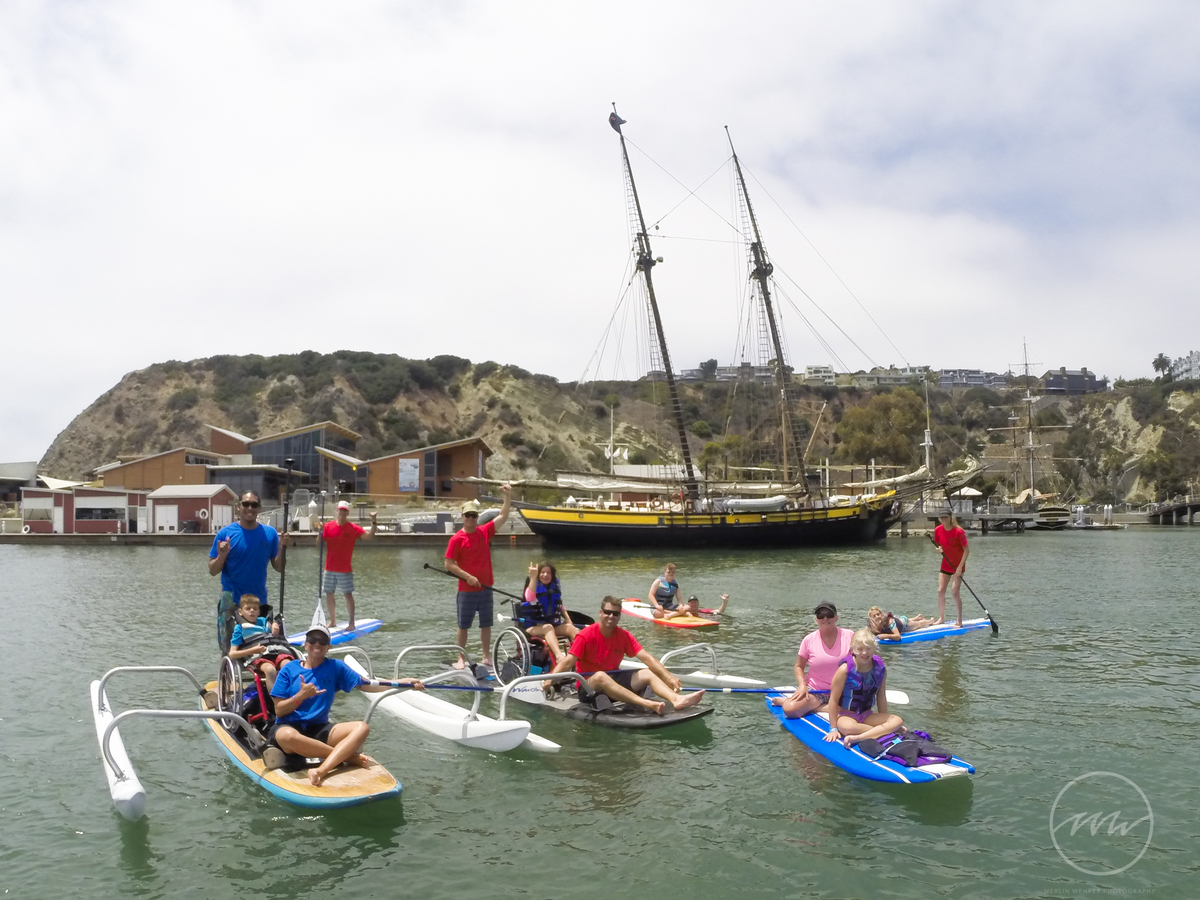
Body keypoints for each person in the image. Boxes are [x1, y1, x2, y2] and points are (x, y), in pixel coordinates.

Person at [270, 624, 424, 787]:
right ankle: (347, 757)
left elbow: (366, 685)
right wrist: (300, 696)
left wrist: (402, 682)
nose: (317, 644)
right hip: (290, 727)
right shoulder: (289, 669)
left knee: (361, 728)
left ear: (328, 647)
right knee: (286, 736)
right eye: (313, 640)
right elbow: (279, 710)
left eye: (322, 641)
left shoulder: (335, 667)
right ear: (305, 644)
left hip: (319, 727)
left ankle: (322, 770)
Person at [546, 596, 705, 715]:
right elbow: (567, 663)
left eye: (615, 614)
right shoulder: (586, 635)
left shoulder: (623, 636)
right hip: (588, 687)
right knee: (601, 676)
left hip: (613, 682)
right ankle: (646, 703)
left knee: (646, 673)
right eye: (607, 612)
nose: (611, 616)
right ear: (601, 613)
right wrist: (548, 681)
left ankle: (676, 699)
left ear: (619, 616)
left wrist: (668, 677)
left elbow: (647, 658)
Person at [209, 491, 290, 654]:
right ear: (239, 507)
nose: (249, 508)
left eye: (254, 504)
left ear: (259, 508)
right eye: (245, 504)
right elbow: (212, 570)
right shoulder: (225, 534)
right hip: (231, 601)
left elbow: (279, 567)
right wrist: (222, 556)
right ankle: (227, 678)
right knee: (229, 650)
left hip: (257, 602)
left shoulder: (270, 534)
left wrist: (282, 547)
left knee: (261, 648)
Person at [444, 485, 512, 669]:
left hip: (486, 588)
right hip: (466, 590)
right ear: (463, 517)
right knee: (463, 626)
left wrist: (507, 496)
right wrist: (468, 577)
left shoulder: (484, 531)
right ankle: (460, 657)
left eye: (474, 516)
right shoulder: (456, 539)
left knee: (486, 625)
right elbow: (449, 564)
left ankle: (486, 656)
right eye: (468, 516)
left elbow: (503, 516)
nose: (472, 519)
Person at [822, 628, 904, 748]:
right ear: (853, 650)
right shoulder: (844, 669)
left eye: (868, 648)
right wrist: (833, 728)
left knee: (897, 720)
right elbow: (833, 699)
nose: (864, 653)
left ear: (874, 648)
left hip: (867, 715)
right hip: (846, 715)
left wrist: (885, 720)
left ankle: (861, 736)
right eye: (860, 649)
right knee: (848, 728)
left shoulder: (880, 669)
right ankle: (881, 732)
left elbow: (881, 696)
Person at [771, 602, 853, 719]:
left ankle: (816, 707)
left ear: (836, 618)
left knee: (859, 712)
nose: (825, 618)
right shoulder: (808, 640)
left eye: (829, 614)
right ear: (816, 619)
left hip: (843, 691)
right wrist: (802, 686)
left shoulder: (849, 635)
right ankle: (817, 706)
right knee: (789, 709)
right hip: (817, 691)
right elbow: (799, 666)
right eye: (820, 615)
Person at [317, 500, 377, 632]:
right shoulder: (328, 526)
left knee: (347, 595)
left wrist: (374, 522)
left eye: (345, 511)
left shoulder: (353, 528)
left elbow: (369, 537)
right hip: (329, 568)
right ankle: (332, 621)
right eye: (341, 510)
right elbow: (319, 544)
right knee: (329, 593)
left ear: (347, 513)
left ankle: (351, 623)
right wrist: (320, 532)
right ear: (337, 511)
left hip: (344, 570)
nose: (342, 513)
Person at [518, 561, 579, 664]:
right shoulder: (533, 586)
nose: (545, 575)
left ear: (552, 575)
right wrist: (533, 577)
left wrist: (568, 620)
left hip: (552, 625)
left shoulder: (554, 587)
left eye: (548, 573)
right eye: (542, 572)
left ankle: (583, 654)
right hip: (533, 628)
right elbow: (530, 598)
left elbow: (560, 605)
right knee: (548, 627)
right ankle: (559, 657)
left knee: (571, 628)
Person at [227, 592, 285, 690]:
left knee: (288, 666)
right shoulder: (239, 628)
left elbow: (271, 622)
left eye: (255, 608)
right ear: (241, 612)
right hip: (256, 655)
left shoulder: (264, 621)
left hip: (275, 650)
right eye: (248, 608)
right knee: (270, 670)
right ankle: (276, 702)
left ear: (258, 612)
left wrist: (275, 623)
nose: (252, 611)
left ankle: (293, 697)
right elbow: (232, 654)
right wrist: (252, 650)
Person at [933, 512, 969, 627]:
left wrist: (959, 568)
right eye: (941, 517)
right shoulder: (938, 530)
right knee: (940, 590)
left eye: (946, 517)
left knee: (954, 592)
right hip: (946, 564)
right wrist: (939, 549)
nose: (944, 519)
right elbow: (939, 545)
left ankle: (959, 621)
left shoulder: (959, 532)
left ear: (950, 518)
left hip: (958, 565)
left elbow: (966, 550)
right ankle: (941, 618)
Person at [867, 606, 938, 641]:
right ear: (871, 619)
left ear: (881, 614)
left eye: (878, 614)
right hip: (898, 619)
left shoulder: (889, 622)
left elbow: (898, 636)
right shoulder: (872, 625)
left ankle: (930, 621)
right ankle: (917, 617)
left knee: (918, 625)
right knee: (911, 621)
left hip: (904, 624)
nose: (877, 617)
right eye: (874, 616)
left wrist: (885, 635)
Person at [663, 593, 730, 621]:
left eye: (695, 602)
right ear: (688, 605)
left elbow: (719, 611)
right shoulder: (683, 612)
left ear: (698, 603)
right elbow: (670, 612)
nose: (694, 604)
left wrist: (725, 602)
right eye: (692, 603)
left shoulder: (703, 611)